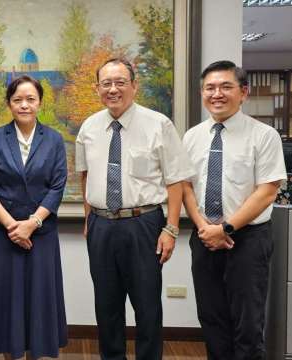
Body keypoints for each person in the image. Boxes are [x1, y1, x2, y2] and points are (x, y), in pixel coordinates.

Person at [75, 58, 191, 360]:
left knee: (147, 306)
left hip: (144, 225)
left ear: (134, 85)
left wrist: (171, 228)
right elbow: (85, 175)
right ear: (97, 88)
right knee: (107, 306)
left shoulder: (159, 124)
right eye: (106, 83)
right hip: (101, 226)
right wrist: (89, 219)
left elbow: (176, 181)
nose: (113, 89)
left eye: (120, 82)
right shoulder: (89, 127)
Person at [180, 60, 286, 360]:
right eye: (210, 88)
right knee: (211, 319)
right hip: (204, 238)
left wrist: (225, 229)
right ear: (202, 93)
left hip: (248, 240)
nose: (217, 94)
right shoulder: (192, 136)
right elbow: (185, 186)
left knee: (248, 324)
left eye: (226, 87)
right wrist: (203, 226)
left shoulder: (264, 135)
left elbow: (267, 190)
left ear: (243, 92)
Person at [0, 75, 68, 360]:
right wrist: (12, 226)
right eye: (17, 100)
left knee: (37, 303)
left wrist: (32, 224)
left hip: (40, 234)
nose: (24, 105)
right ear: (9, 103)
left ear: (40, 102)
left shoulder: (53, 139)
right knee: (5, 304)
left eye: (30, 99)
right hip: (0, 235)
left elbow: (57, 186)